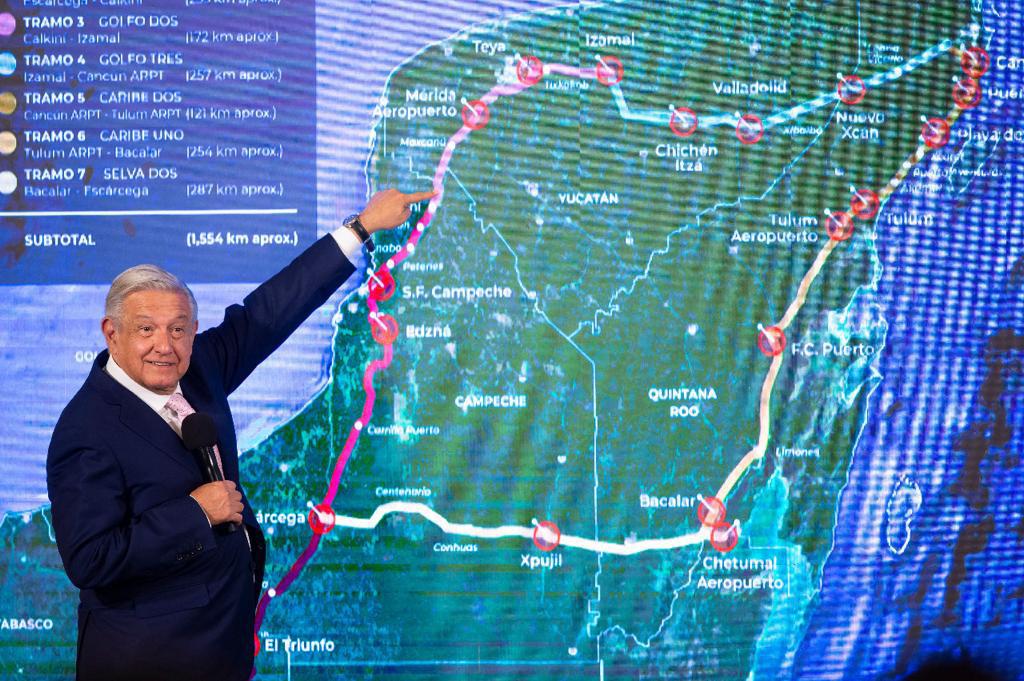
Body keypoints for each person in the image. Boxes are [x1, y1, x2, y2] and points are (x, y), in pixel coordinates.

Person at [46, 187, 433, 681]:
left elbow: (269, 312)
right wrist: (196, 514)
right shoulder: (86, 429)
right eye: (146, 330)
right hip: (149, 661)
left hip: (221, 650)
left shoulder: (199, 368)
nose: (165, 346)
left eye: (178, 329)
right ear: (111, 333)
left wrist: (361, 226)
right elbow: (91, 560)